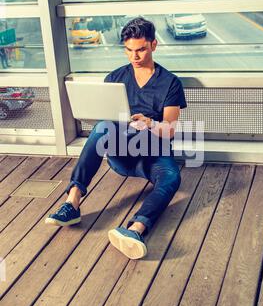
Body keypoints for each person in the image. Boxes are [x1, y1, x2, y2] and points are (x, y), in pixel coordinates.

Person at [45, 17, 187, 260]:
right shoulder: (115, 77)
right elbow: (105, 121)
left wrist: (150, 123)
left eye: (141, 49)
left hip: (152, 153)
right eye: (130, 50)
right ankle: (72, 203)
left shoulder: (170, 82)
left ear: (154, 45)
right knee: (102, 127)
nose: (135, 56)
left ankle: (135, 230)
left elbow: (170, 130)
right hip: (122, 155)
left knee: (172, 177)